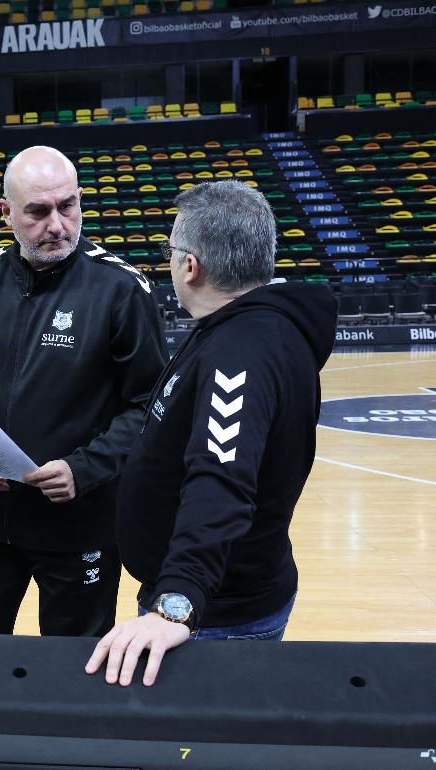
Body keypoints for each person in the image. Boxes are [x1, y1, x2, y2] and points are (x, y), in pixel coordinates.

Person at [85, 180, 336, 687]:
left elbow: (220, 479)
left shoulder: (241, 351)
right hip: (221, 596)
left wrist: (176, 604)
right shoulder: (248, 329)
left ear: (191, 265)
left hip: (215, 615)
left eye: (170, 250)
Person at [0, 145, 167, 637]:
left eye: (68, 206)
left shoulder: (121, 290)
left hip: (82, 522)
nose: (57, 225)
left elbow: (150, 405)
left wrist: (84, 468)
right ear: (7, 212)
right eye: (38, 211)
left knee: (71, 673)